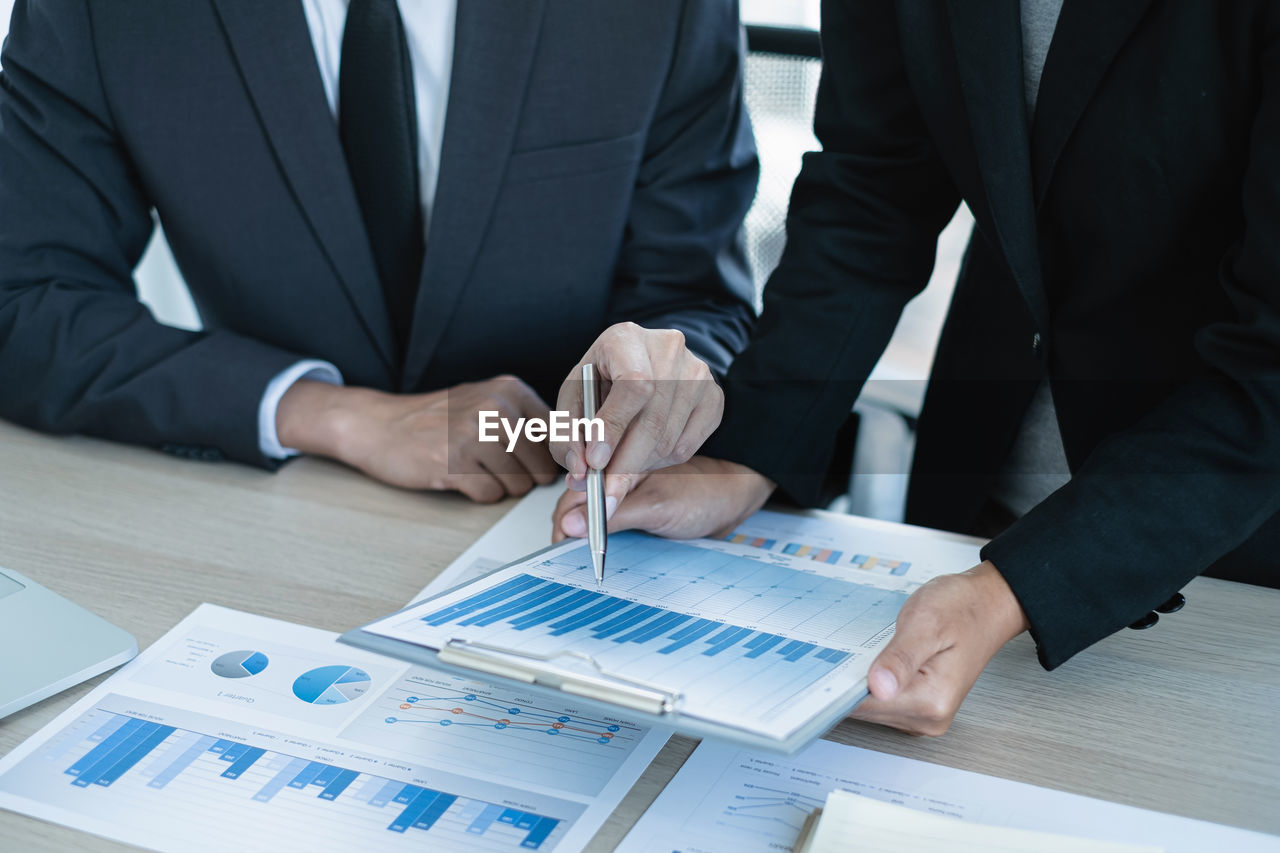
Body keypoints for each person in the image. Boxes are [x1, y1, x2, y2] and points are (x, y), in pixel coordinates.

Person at [555, 0, 1280, 735]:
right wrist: (749, 453)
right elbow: (872, 188)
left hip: (1233, 561)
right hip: (972, 516)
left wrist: (1018, 587)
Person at [0, 0, 755, 503]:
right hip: (269, 511)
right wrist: (327, 412)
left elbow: (701, 299)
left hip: (557, 519)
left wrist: (663, 378)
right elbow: (21, 301)